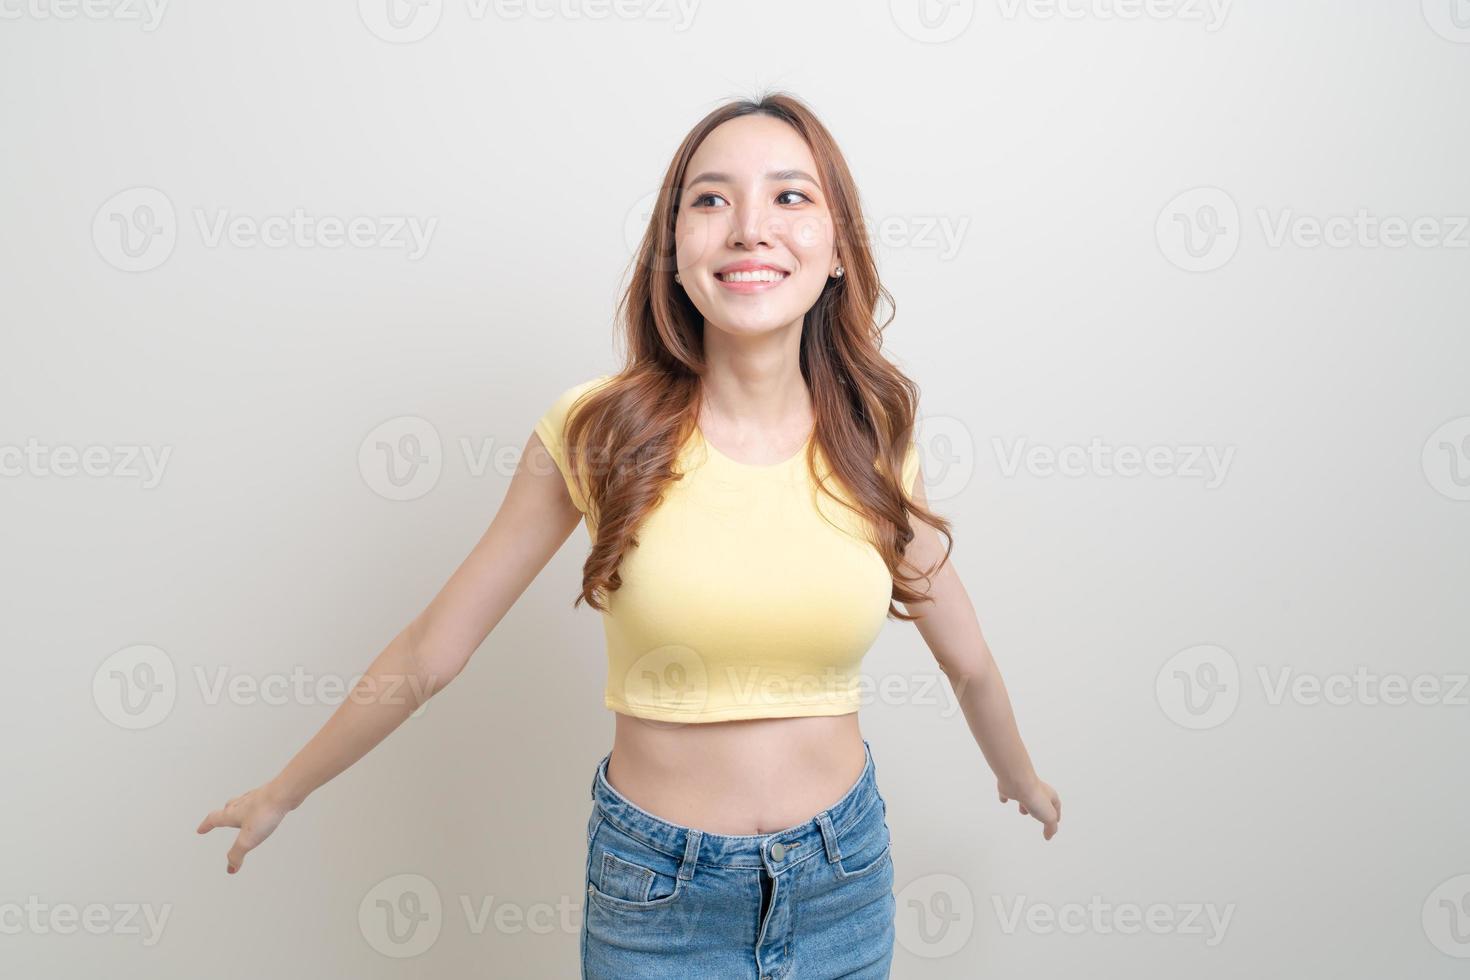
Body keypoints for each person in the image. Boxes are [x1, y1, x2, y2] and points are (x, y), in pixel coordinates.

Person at [196, 91, 1061, 979]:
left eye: (791, 198)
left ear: (838, 250)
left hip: (844, 880)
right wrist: (282, 792)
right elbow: (432, 649)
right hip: (659, 898)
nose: (749, 228)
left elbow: (969, 660)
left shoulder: (873, 439)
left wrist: (1017, 776)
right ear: (673, 252)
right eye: (711, 199)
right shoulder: (599, 431)